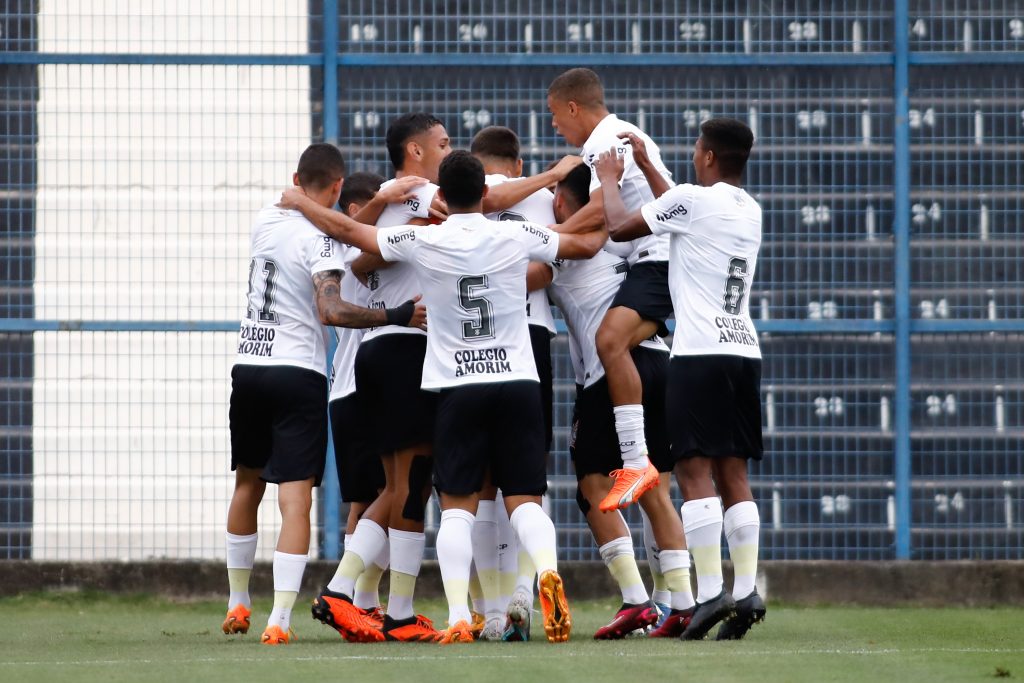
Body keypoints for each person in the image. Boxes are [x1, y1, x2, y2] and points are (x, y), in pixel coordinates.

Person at [281, 150, 606, 644]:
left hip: (457, 385)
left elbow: (351, 236)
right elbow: (580, 245)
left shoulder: (423, 238)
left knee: (457, 507)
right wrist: (606, 193)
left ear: (443, 196)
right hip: (518, 379)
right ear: (485, 194)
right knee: (524, 501)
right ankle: (544, 571)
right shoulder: (515, 233)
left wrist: (301, 204)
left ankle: (458, 614)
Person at [223, 144, 425, 645]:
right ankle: (280, 620)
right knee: (295, 502)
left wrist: (373, 200)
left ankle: (237, 600)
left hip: (249, 364)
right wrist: (395, 315)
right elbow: (331, 310)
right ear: (337, 189)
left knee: (247, 484)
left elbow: (335, 220)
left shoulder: (266, 219)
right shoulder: (323, 245)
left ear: (297, 179)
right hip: (297, 371)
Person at [595, 118, 765, 641]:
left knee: (693, 471)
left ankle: (710, 590)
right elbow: (682, 213)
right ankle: (746, 592)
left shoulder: (693, 200)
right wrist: (648, 164)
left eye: (696, 149)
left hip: (700, 352)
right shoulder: (747, 207)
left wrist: (608, 177)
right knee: (734, 475)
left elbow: (622, 227)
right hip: (743, 350)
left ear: (709, 156)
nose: (693, 156)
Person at [313, 112, 450, 644]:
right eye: (442, 143)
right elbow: (365, 263)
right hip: (403, 349)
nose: (448, 150)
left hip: (381, 354)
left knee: (400, 485)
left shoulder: (395, 198)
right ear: (415, 151)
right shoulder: (420, 197)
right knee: (409, 482)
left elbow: (359, 259)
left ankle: (387, 608)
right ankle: (353, 594)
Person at [544, 163, 695, 639]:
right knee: (655, 495)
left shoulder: (555, 247)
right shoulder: (623, 237)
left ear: (564, 202)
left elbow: (530, 273)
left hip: (606, 376)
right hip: (656, 362)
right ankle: (685, 605)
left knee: (592, 492)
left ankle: (635, 600)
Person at [546, 67, 676, 513]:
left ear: (572, 106)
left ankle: (636, 461)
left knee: (608, 340)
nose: (553, 124)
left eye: (554, 114)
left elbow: (601, 211)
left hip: (659, 260)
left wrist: (543, 236)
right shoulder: (615, 136)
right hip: (650, 262)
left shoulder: (605, 142)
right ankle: (640, 461)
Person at [468, 125, 565, 641]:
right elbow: (550, 268)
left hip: (473, 343)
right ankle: (526, 591)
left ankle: (491, 610)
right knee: (527, 479)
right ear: (518, 162)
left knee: (480, 484)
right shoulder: (543, 197)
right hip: (530, 336)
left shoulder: (458, 198)